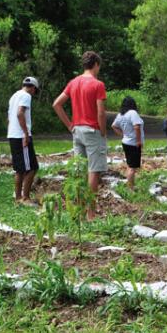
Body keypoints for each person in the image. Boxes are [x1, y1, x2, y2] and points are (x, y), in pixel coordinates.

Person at [53, 51, 107, 219]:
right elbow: (101, 112)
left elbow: (56, 104)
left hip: (77, 131)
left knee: (79, 171)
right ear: (96, 64)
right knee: (93, 171)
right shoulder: (98, 85)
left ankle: (79, 210)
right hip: (92, 130)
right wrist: (103, 131)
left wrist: (70, 125)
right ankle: (91, 213)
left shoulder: (73, 83)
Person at [7, 76, 39, 205]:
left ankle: (18, 198)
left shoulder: (14, 96)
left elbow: (9, 118)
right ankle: (25, 198)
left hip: (12, 135)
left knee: (19, 169)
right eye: (35, 90)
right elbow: (20, 113)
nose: (34, 93)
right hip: (21, 136)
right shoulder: (26, 96)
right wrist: (26, 134)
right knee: (32, 168)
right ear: (33, 88)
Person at [112, 96, 143, 189]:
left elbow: (113, 126)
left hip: (126, 142)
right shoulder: (133, 113)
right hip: (133, 143)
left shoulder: (121, 114)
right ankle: (130, 187)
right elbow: (136, 127)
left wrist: (123, 134)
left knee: (130, 165)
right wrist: (138, 141)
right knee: (132, 167)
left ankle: (131, 185)